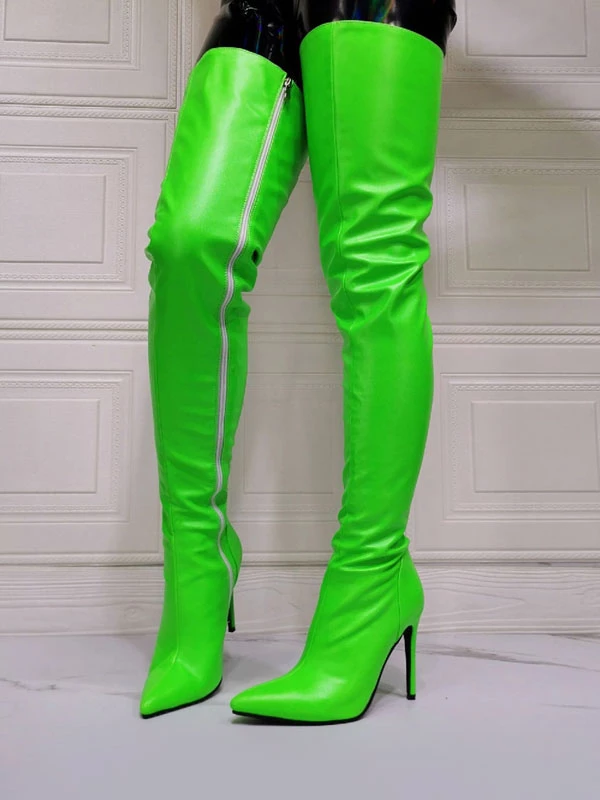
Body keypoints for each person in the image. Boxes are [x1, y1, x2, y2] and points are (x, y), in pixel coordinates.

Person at [140, 0, 457, 724]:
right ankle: (198, 569)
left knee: (375, 262)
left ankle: (372, 583)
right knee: (189, 244)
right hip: (263, 7)